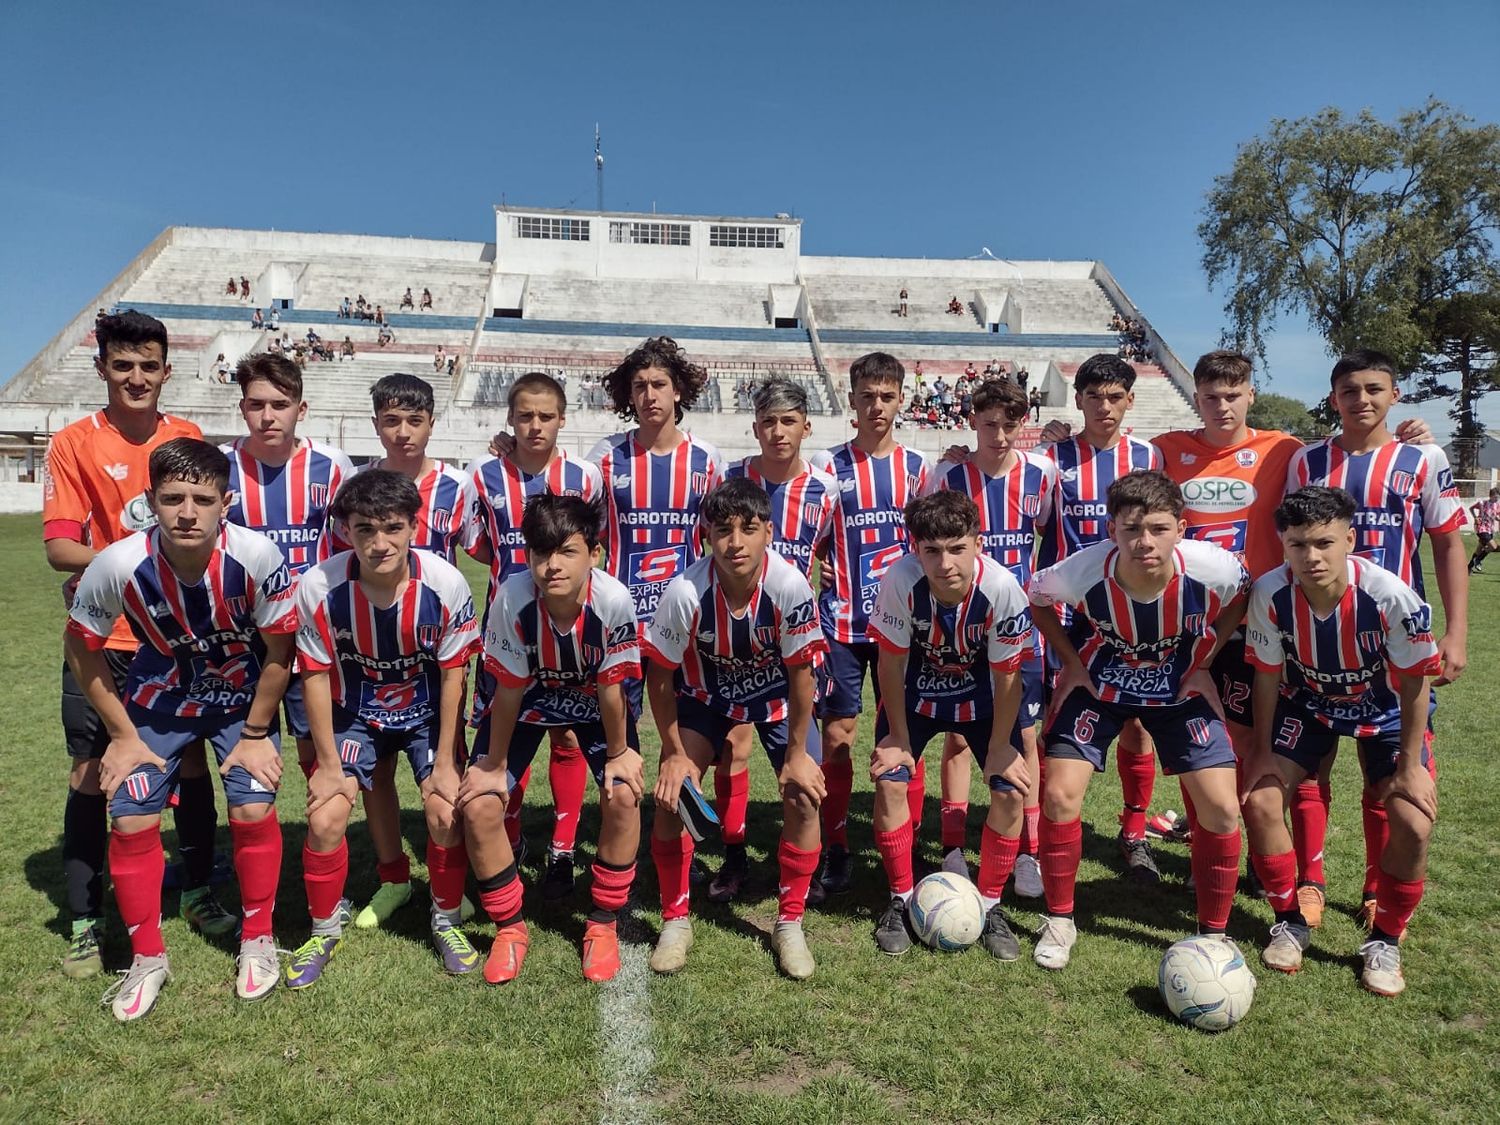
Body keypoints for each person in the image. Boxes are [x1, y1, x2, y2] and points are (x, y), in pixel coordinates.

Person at [65, 438, 296, 1020]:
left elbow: (279, 650)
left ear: (227, 502)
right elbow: (81, 649)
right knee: (133, 813)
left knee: (251, 807)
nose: (187, 512)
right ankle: (147, 958)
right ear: (151, 500)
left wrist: (254, 733)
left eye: (202, 498)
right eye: (172, 499)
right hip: (158, 697)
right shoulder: (117, 563)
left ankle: (258, 939)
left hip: (240, 699)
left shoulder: (258, 556)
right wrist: (122, 736)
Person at [43, 311, 221, 979]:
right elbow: (61, 546)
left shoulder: (187, 436)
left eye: (149, 364)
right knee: (92, 771)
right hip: (105, 636)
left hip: (177, 637)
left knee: (192, 761)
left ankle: (200, 890)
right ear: (103, 369)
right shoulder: (73, 442)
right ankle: (88, 921)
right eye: (123, 365)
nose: (137, 376)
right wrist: (132, 560)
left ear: (167, 369)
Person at [1028, 470, 1250, 969]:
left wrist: (1205, 663)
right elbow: (1038, 598)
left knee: (1221, 808)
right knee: (1060, 793)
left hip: (1177, 684)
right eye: (1131, 529)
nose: (1144, 541)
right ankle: (1060, 919)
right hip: (1102, 684)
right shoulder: (1082, 570)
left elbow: (1242, 596)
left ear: (1181, 528)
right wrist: (1072, 663)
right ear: (1112, 530)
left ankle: (1214, 934)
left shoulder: (1214, 568)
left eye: (1158, 528)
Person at [1283, 348, 1466, 929]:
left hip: (1392, 643)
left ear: (1395, 395)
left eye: (1373, 388)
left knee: (1384, 773)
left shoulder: (1422, 457)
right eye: (1349, 390)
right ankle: (1310, 881)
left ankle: (1374, 887)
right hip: (1313, 636)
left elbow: (1445, 543)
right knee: (1310, 770)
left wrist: (1457, 632)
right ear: (1333, 398)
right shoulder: (1308, 460)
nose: (1361, 399)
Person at [1242, 487, 1440, 995]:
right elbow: (1266, 675)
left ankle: (1385, 940)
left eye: (1324, 543)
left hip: (1387, 712)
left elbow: (1416, 681)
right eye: (1298, 545)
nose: (1311, 557)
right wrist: (1262, 749)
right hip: (1309, 705)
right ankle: (1290, 919)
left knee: (1413, 823)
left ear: (1350, 540)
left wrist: (1412, 764)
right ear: (1283, 544)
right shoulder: (1269, 592)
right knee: (1261, 800)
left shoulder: (1390, 597)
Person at [285, 470, 480, 989]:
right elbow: (316, 676)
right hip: (357, 715)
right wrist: (328, 767)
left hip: (423, 714)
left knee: (443, 810)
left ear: (415, 526)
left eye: (392, 527)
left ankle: (445, 919)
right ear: (345, 531)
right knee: (326, 818)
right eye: (364, 529)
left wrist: (444, 761)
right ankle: (324, 930)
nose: (379, 542)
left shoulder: (444, 583)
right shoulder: (319, 586)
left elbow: (454, 675)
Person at [643, 478, 828, 977]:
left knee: (804, 794)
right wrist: (675, 752)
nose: (736, 542)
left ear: (769, 531)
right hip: (708, 700)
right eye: (723, 530)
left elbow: (801, 674)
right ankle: (675, 919)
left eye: (749, 529)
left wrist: (796, 755)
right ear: (707, 536)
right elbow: (659, 676)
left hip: (776, 703)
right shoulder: (685, 590)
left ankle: (789, 923)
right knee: (672, 794)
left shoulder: (788, 586)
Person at [460, 494, 642, 984]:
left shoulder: (613, 600)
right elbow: (510, 687)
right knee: (479, 803)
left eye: (567, 552)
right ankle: (510, 928)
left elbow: (611, 688)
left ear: (595, 555)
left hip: (590, 700)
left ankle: (602, 922)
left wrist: (621, 754)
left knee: (624, 796)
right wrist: (494, 765)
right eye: (541, 553)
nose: (552, 565)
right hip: (528, 697)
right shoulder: (511, 597)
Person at [324, 374, 477, 930]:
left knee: (444, 773)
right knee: (377, 771)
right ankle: (393, 878)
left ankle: (462, 875)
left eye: (415, 421)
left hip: (435, 648)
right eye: (392, 421)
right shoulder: (357, 487)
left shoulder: (457, 487)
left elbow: (488, 547)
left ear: (433, 423)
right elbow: (335, 558)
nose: (404, 432)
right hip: (367, 647)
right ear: (376, 426)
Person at [865, 490, 1032, 957]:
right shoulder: (900, 579)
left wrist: (1001, 746)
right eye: (931, 550)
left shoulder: (1001, 589)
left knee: (1009, 788)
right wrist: (897, 736)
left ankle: (991, 902)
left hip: (982, 699)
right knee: (891, 782)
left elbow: (1008, 679)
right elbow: (891, 664)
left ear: (978, 543)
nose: (944, 563)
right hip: (916, 696)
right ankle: (900, 897)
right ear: (915, 548)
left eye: (957, 547)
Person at [467, 373, 603, 895]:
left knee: (567, 733)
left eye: (546, 416)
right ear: (510, 417)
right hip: (507, 632)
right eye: (525, 415)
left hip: (572, 630)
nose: (535, 425)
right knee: (509, 730)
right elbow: (478, 546)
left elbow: (597, 544)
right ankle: (513, 834)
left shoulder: (585, 478)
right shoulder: (484, 476)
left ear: (562, 419)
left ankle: (563, 848)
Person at [1034, 355, 1166, 883]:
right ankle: (1049, 829)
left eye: (1114, 397)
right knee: (1054, 718)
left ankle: (1134, 834)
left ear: (1129, 400)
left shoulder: (1147, 456)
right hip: (1070, 616)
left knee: (1136, 724)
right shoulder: (1053, 457)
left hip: (1132, 613)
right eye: (1094, 397)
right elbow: (1028, 519)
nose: (1104, 407)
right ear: (1079, 400)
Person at [924, 378, 1056, 898]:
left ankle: (1029, 850)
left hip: (1019, 629)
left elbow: (1051, 538)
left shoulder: (1041, 474)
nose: (999, 435)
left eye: (1009, 424)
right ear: (972, 422)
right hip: (960, 625)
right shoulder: (949, 473)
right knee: (958, 734)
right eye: (989, 423)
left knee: (1025, 737)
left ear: (1022, 424)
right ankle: (953, 845)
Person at [809, 353, 933, 895]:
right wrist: (821, 561)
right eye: (867, 396)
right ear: (852, 398)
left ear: (900, 400)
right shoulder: (826, 466)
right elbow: (801, 533)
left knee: (906, 739)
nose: (876, 405)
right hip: (840, 623)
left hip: (902, 628)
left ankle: (913, 842)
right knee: (838, 736)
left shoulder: (919, 469)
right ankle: (836, 847)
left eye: (886, 396)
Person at [711, 377, 838, 903]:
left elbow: (830, 550)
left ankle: (811, 860)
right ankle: (735, 854)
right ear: (755, 427)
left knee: (804, 760)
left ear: (805, 426)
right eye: (768, 421)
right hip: (737, 638)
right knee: (733, 747)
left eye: (788, 421)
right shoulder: (733, 477)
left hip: (796, 639)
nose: (778, 432)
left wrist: (822, 574)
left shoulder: (824, 489)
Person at [222, 354, 355, 781]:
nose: (267, 416)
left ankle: (322, 831)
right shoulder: (218, 465)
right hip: (242, 634)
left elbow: (351, 542)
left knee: (316, 745)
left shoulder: (333, 465)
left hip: (311, 630)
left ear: (301, 409)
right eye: (256, 405)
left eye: (279, 405)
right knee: (241, 744)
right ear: (242, 408)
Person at [1470, 487, 1499, 572]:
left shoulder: (1497, 505)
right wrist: (1475, 517)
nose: (1497, 499)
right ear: (1490, 496)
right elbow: (1471, 508)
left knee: (1479, 549)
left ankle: (1469, 567)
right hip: (1481, 528)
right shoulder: (1482, 503)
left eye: (1498, 497)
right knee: (1493, 546)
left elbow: (1495, 516)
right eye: (1495, 497)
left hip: (1490, 529)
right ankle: (1478, 560)